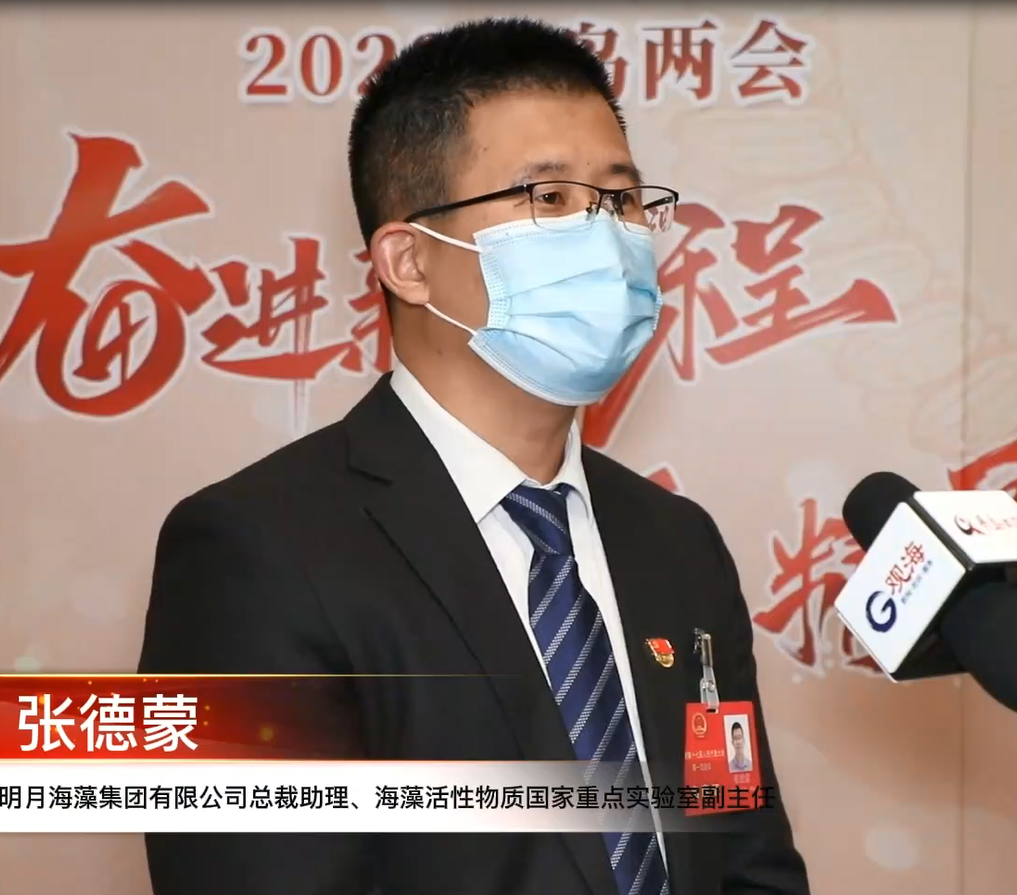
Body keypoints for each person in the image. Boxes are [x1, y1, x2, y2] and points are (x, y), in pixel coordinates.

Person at [139, 16, 809, 895]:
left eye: (620, 200)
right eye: (549, 198)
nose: (605, 235)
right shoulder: (256, 552)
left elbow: (744, 857)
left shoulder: (676, 542)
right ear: (408, 261)